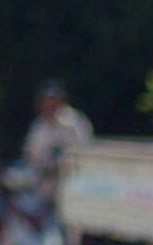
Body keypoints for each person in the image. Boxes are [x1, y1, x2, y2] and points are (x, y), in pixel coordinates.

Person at [20, 80, 92, 214]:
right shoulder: (39, 126)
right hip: (43, 189)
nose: (47, 106)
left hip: (70, 187)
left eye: (52, 101)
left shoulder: (73, 123)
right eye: (44, 102)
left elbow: (84, 152)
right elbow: (30, 155)